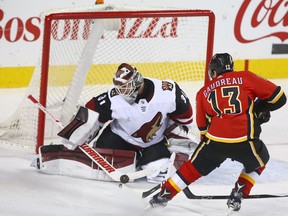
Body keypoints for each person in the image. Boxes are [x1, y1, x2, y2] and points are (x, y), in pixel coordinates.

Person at [148, 53, 287, 212]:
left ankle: (163, 195)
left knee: (191, 169)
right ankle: (238, 193)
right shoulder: (246, 77)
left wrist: (208, 154)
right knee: (260, 161)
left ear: (213, 72)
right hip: (245, 141)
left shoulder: (203, 92)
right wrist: (258, 109)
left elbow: (202, 128)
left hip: (214, 142)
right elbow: (280, 98)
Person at [51, 63, 195, 183]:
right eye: (119, 88)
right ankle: (133, 160)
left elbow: (185, 118)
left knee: (158, 175)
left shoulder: (167, 92)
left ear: (137, 83)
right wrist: (73, 138)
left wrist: (177, 136)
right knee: (102, 169)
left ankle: (144, 160)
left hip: (155, 143)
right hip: (119, 139)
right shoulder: (114, 98)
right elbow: (91, 113)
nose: (121, 92)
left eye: (125, 88)